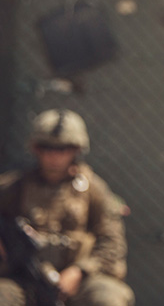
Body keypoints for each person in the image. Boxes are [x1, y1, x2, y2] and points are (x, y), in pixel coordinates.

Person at [0, 109, 134, 306]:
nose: (54, 156)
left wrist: (80, 271)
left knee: (109, 298)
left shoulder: (93, 189)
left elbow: (112, 244)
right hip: (23, 281)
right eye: (47, 148)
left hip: (79, 282)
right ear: (36, 148)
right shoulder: (15, 186)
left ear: (76, 150)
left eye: (63, 149)